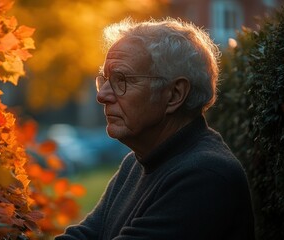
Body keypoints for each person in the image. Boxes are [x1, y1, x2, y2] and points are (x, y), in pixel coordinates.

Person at [55, 17, 255, 240]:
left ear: (175, 95)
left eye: (122, 80)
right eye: (105, 79)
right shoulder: (137, 162)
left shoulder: (205, 176)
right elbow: (86, 236)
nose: (102, 95)